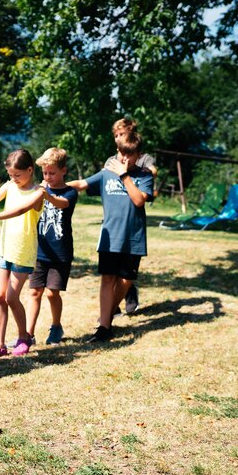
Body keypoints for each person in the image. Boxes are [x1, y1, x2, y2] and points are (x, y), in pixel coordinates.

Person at [68, 130, 154, 342]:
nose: (125, 159)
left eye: (130, 155)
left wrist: (124, 176)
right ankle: (104, 327)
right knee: (107, 279)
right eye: (122, 153)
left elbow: (139, 201)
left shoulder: (144, 176)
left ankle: (108, 312)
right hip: (110, 237)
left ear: (138, 155)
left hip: (133, 237)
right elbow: (82, 184)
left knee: (126, 280)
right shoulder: (107, 172)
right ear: (118, 151)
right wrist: (52, 186)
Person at [0, 149, 45, 360]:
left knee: (12, 297)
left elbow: (21, 210)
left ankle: (24, 337)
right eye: (10, 175)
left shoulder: (39, 191)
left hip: (23, 252)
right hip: (4, 249)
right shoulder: (9, 186)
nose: (13, 179)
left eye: (17, 175)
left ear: (30, 170)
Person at [26, 148, 78, 345]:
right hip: (39, 251)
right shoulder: (42, 189)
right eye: (45, 173)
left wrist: (45, 194)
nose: (47, 177)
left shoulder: (70, 192)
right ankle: (28, 335)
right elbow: (33, 207)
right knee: (34, 292)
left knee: (51, 292)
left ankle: (56, 326)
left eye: (52, 173)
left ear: (63, 170)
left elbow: (61, 204)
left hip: (59, 253)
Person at [108, 118, 158, 314]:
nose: (118, 138)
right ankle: (111, 309)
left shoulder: (141, 158)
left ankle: (119, 302)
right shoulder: (113, 160)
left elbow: (152, 171)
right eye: (116, 136)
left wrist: (142, 173)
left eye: (122, 134)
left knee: (126, 275)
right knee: (112, 274)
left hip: (133, 225)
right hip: (115, 225)